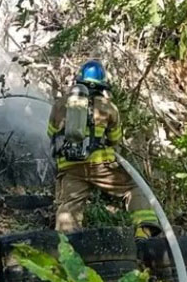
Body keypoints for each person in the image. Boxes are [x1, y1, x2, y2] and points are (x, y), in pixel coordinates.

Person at [47, 59, 160, 237]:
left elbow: (51, 133)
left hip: (70, 167)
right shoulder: (109, 107)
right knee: (135, 187)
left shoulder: (60, 104)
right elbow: (115, 139)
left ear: (79, 80)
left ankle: (66, 245)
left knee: (69, 206)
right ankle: (143, 230)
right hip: (100, 165)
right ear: (102, 85)